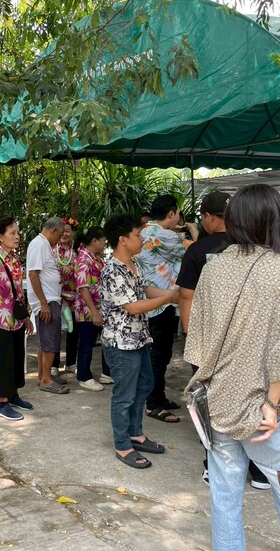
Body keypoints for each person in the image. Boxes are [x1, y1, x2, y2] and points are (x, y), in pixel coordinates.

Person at [184, 184, 280, 548]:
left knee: (224, 502)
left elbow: (197, 341)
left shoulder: (213, 270)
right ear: (276, 222)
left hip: (220, 403)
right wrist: (272, 403)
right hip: (270, 413)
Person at [178, 191, 270, 490]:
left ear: (207, 217)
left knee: (209, 402)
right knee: (252, 398)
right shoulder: (256, 250)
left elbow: (186, 295)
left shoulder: (197, 250)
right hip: (250, 339)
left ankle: (214, 466)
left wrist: (190, 335)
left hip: (210, 341)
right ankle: (259, 471)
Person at [100, 214, 179, 469]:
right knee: (124, 395)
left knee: (144, 384)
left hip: (139, 339)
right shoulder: (113, 270)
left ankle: (135, 433)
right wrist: (168, 299)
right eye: (137, 234)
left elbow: (145, 290)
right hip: (121, 343)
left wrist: (172, 294)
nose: (142, 239)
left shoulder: (133, 264)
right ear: (123, 240)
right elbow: (133, 307)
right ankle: (123, 444)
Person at [136, 195, 198, 424]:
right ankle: (153, 404)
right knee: (158, 356)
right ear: (171, 213)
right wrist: (194, 231)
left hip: (152, 302)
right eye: (178, 213)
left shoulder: (145, 231)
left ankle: (158, 398)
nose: (179, 218)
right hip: (160, 303)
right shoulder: (165, 236)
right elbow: (196, 252)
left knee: (159, 355)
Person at [0, 217, 34, 421]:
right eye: (12, 233)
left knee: (16, 357)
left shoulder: (15, 258)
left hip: (15, 318)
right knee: (4, 360)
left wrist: (26, 317)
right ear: (1, 237)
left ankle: (13, 395)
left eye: (17, 233)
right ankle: (2, 403)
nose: (17, 236)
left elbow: (19, 290)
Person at [26, 217, 67, 394]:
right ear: (52, 230)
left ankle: (43, 375)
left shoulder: (43, 244)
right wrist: (43, 303)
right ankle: (46, 379)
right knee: (49, 340)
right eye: (59, 235)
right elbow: (33, 274)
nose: (60, 239)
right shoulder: (39, 244)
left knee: (45, 339)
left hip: (49, 299)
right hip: (47, 301)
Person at [74, 227, 112, 388]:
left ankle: (107, 373)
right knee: (86, 344)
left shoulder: (96, 258)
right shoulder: (83, 259)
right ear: (94, 241)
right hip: (87, 310)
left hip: (100, 307)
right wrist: (94, 312)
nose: (104, 244)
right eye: (103, 241)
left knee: (106, 340)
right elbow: (83, 288)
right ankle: (84, 376)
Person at [51, 219, 80, 377]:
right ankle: (54, 364)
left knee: (72, 329)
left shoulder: (78, 249)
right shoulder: (52, 247)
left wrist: (71, 267)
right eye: (62, 231)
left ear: (73, 233)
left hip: (74, 295)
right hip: (56, 293)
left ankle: (70, 363)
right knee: (55, 330)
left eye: (68, 231)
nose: (64, 234)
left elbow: (83, 265)